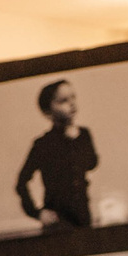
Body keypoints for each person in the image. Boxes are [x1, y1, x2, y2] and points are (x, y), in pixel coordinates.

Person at [15, 77, 97, 231]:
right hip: (57, 222)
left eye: (73, 97)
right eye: (63, 101)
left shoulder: (83, 135)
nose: (72, 104)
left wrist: (77, 140)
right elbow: (21, 183)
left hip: (83, 215)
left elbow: (92, 163)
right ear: (48, 111)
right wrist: (37, 213)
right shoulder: (43, 144)